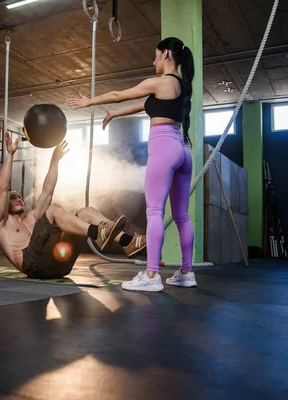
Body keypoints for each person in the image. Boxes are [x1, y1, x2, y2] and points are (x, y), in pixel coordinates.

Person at [66, 37, 197, 291]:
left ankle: (151, 276)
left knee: (155, 212)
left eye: (156, 55)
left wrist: (89, 102)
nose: (153, 61)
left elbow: (118, 94)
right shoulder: (180, 86)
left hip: (163, 148)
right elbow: (142, 104)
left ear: (167, 54)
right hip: (182, 150)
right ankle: (187, 272)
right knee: (182, 216)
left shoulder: (159, 82)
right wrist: (114, 114)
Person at [0, 132, 146, 280]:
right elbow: (2, 188)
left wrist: (55, 160)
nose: (18, 199)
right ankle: (98, 232)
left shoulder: (32, 217)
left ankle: (128, 242)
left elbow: (47, 191)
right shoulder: (1, 223)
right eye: (13, 197)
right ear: (5, 203)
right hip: (33, 265)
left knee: (86, 212)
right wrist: (10, 155)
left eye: (19, 197)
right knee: (53, 209)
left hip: (61, 266)